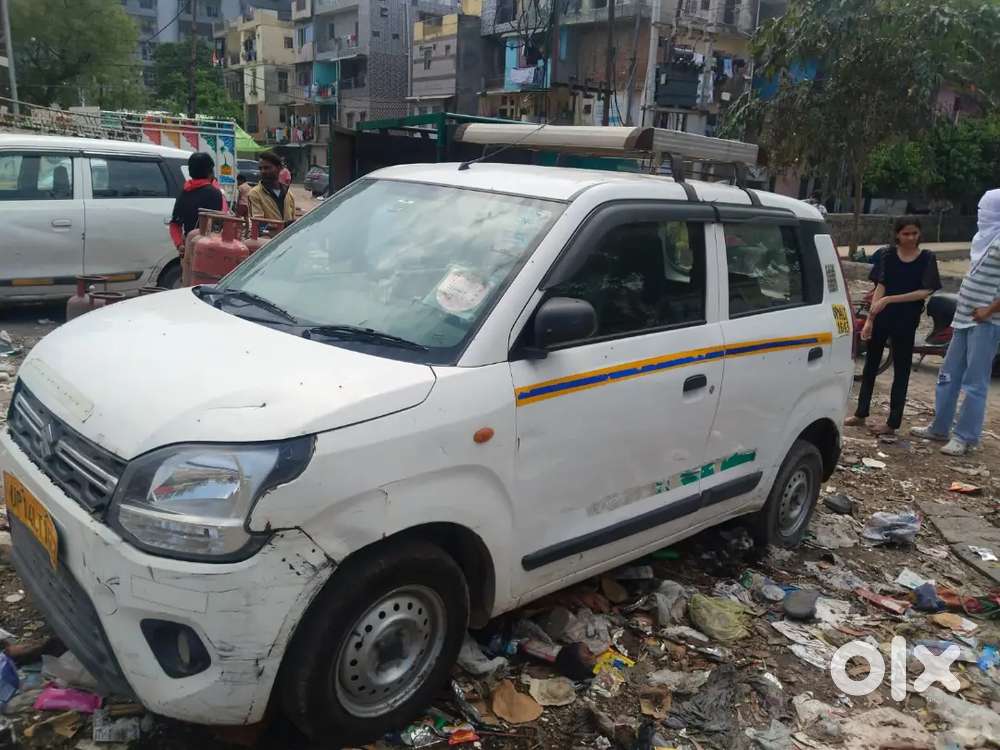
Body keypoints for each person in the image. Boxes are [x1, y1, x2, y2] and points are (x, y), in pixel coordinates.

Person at [912, 189, 1000, 455]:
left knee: (975, 381)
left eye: (985, 210)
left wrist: (988, 311)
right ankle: (939, 427)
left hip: (987, 322)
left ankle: (965, 436)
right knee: (948, 374)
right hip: (963, 317)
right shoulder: (982, 239)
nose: (980, 215)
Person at [846, 218, 942, 435]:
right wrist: (870, 319)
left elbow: (925, 291)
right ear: (897, 234)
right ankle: (861, 413)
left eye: (914, 233)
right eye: (906, 234)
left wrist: (890, 300)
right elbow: (881, 285)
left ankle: (893, 422)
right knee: (870, 365)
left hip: (906, 320)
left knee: (901, 370)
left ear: (919, 234)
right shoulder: (888, 255)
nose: (910, 238)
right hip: (882, 318)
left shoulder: (927, 258)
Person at [168, 152, 225, 250]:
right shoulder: (214, 193)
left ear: (190, 172)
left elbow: (174, 225)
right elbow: (218, 227)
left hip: (189, 247)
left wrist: (180, 245)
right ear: (210, 172)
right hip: (209, 250)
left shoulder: (184, 192)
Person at [248, 151, 296, 224]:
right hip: (269, 236)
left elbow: (293, 220)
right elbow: (258, 224)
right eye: (260, 168)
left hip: (287, 235)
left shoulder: (288, 194)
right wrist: (282, 226)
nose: (263, 171)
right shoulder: (255, 194)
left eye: (267, 168)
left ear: (279, 168)